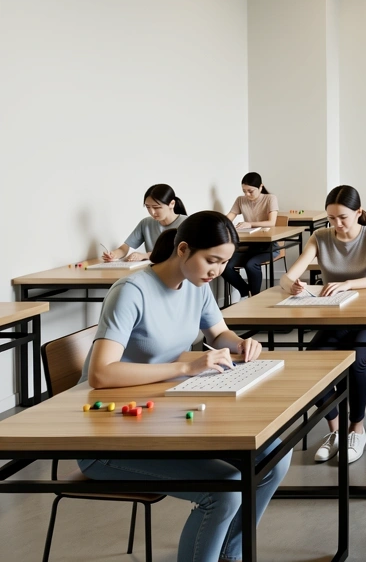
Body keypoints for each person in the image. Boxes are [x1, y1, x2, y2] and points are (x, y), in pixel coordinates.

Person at [80, 212, 288, 562]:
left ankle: (230, 555)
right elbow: (101, 375)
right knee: (223, 490)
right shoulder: (131, 291)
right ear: (183, 249)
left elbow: (218, 334)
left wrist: (240, 343)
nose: (217, 270)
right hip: (109, 434)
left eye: (224, 262)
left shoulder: (197, 286)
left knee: (274, 456)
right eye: (212, 260)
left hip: (161, 416)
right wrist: (186, 368)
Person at [280, 186, 366, 464]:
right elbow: (287, 276)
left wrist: (349, 283)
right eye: (331, 218)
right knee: (310, 363)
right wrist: (291, 285)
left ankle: (357, 429)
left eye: (343, 217)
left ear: (358, 212)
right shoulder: (320, 237)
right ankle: (335, 429)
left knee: (356, 361)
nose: (337, 224)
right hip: (335, 318)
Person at [221, 172, 279, 298]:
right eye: (244, 191)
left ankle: (255, 296)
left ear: (260, 187)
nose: (247, 194)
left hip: (268, 246)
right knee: (224, 266)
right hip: (248, 247)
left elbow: (272, 222)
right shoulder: (240, 200)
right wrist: (219, 225)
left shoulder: (270, 198)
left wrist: (250, 224)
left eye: (250, 191)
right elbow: (228, 218)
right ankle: (245, 292)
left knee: (251, 265)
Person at [102, 184, 188, 262]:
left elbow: (182, 253)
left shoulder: (187, 223)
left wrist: (146, 255)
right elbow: (125, 247)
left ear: (172, 204)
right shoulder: (146, 223)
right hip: (153, 269)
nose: (152, 212)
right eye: (148, 207)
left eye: (156, 207)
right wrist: (114, 254)